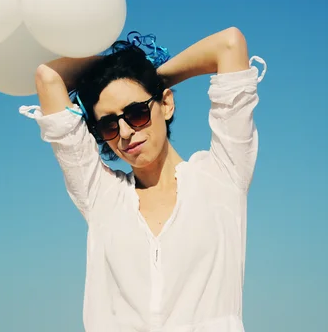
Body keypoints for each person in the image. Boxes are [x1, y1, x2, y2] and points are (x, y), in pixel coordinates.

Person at [19, 26, 267, 332]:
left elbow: (229, 44)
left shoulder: (222, 174)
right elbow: (48, 77)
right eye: (108, 125)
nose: (124, 133)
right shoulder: (101, 196)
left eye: (136, 113)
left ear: (166, 104)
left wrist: (149, 73)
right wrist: (116, 71)